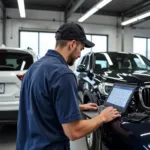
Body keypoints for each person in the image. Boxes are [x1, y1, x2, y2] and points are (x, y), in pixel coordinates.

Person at [16, 22, 121, 150]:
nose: (79, 55)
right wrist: (102, 117)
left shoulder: (34, 68)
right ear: (72, 44)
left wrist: (77, 107)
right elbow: (74, 131)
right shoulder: (63, 74)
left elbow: (41, 104)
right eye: (81, 49)